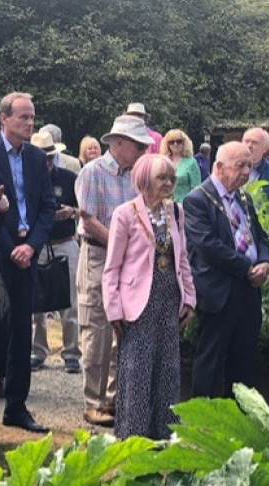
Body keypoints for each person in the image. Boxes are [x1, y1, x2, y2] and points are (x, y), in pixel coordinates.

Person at [0, 92, 55, 433]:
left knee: (22, 330)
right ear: (4, 119)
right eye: (23, 117)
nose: (30, 123)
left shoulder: (36, 158)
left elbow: (47, 207)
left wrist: (31, 247)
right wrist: (10, 251)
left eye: (32, 117)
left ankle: (16, 407)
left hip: (27, 251)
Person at [103, 154, 196, 439]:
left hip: (169, 301)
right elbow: (112, 267)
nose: (168, 184)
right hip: (137, 304)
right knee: (136, 373)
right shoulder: (125, 213)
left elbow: (182, 261)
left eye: (172, 178)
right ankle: (132, 439)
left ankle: (163, 438)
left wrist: (190, 300)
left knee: (167, 372)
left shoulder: (176, 212)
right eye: (162, 178)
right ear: (144, 181)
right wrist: (114, 310)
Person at [75, 114, 152, 427]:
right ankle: (93, 402)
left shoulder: (136, 175)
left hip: (128, 262)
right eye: (138, 145)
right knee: (97, 330)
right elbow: (88, 220)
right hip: (98, 257)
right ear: (119, 143)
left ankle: (114, 398)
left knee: (123, 329)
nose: (143, 151)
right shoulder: (93, 172)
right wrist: (124, 245)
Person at [184, 141, 269, 398]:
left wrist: (266, 263)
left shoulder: (244, 198)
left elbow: (260, 236)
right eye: (240, 165)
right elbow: (208, 246)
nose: (247, 171)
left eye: (250, 165)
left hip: (248, 290)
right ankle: (201, 425)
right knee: (209, 362)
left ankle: (237, 424)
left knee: (243, 362)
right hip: (218, 292)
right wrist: (248, 268)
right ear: (220, 167)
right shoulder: (197, 199)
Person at [29, 132, 82, 374]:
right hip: (38, 243)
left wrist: (71, 211)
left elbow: (85, 209)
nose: (48, 162)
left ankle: (71, 352)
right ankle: (38, 351)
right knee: (36, 302)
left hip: (65, 240)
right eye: (44, 158)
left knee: (70, 300)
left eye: (50, 157)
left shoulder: (69, 177)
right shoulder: (29, 180)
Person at [242, 127, 269, 200]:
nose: (249, 145)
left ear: (265, 148)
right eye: (246, 141)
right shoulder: (230, 169)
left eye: (254, 142)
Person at [161, 129, 201, 202]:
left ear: (184, 143)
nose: (175, 144)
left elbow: (196, 189)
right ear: (167, 144)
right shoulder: (162, 161)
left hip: (184, 205)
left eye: (179, 141)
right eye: (171, 142)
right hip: (165, 205)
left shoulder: (191, 162)